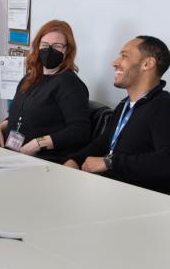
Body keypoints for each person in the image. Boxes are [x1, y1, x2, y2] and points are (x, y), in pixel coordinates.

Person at [64, 36, 170, 194]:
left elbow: (166, 161)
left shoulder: (163, 106)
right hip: (109, 190)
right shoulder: (124, 105)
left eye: (125, 56)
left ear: (147, 64)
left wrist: (110, 162)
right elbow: (103, 143)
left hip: (140, 200)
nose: (115, 62)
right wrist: (74, 160)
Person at [0, 20, 90, 163]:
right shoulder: (29, 79)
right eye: (45, 45)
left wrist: (39, 143)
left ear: (67, 50)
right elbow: (18, 115)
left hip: (44, 160)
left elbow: (80, 131)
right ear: (37, 47)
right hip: (13, 154)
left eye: (57, 46)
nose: (49, 50)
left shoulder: (69, 84)